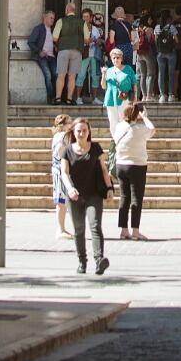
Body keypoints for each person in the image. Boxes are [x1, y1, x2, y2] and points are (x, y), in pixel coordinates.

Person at [59, 116, 114, 275]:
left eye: (84, 130)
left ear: (89, 132)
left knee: (95, 226)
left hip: (93, 194)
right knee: (79, 229)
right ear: (74, 132)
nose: (81, 133)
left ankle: (99, 260)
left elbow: (104, 169)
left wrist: (109, 187)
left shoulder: (95, 148)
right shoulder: (67, 150)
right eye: (78, 131)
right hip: (74, 195)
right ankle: (82, 261)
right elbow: (64, 173)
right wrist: (70, 188)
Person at [113, 101, 156, 239]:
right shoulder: (140, 129)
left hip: (121, 165)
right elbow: (152, 129)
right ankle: (135, 230)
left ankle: (123, 230)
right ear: (137, 114)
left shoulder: (119, 127)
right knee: (136, 198)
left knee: (124, 197)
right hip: (137, 165)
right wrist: (145, 117)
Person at [53, 3, 85, 106]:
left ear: (67, 10)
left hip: (63, 49)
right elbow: (87, 39)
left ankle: (58, 98)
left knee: (61, 75)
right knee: (72, 76)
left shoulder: (60, 21)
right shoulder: (82, 22)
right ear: (74, 10)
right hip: (77, 50)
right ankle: (69, 99)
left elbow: (54, 38)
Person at [102, 46, 138, 135]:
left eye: (117, 58)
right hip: (110, 99)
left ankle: (124, 140)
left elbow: (134, 84)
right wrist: (103, 74)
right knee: (113, 122)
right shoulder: (109, 70)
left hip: (125, 98)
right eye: (113, 58)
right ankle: (115, 142)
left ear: (121, 58)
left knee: (124, 121)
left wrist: (135, 98)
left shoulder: (128, 69)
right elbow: (103, 86)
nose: (115, 60)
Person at [75, 8, 104, 105]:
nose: (85, 18)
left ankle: (94, 98)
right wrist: (89, 41)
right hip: (84, 55)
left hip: (94, 55)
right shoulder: (78, 29)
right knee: (81, 75)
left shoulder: (95, 29)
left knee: (95, 76)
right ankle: (78, 98)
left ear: (91, 18)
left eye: (87, 17)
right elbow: (78, 42)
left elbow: (99, 40)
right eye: (83, 17)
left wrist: (98, 41)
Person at [28, 10, 58, 103]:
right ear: (45, 18)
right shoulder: (38, 29)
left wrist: (56, 47)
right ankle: (50, 97)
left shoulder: (53, 30)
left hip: (52, 57)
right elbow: (30, 42)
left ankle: (57, 97)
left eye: (53, 18)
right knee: (48, 75)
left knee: (56, 74)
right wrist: (39, 51)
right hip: (42, 56)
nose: (52, 20)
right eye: (51, 18)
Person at [51, 112, 73, 238]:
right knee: (61, 200)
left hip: (57, 168)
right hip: (60, 169)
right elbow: (60, 149)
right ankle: (60, 229)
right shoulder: (62, 136)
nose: (71, 125)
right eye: (69, 123)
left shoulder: (57, 135)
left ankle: (62, 228)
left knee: (62, 201)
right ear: (63, 125)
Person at [155, 9, 178, 103]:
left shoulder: (157, 27)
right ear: (169, 17)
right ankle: (170, 95)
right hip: (170, 52)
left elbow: (155, 40)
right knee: (171, 73)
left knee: (161, 73)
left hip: (160, 53)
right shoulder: (172, 27)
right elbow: (177, 40)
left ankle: (162, 95)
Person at [134, 13, 157, 103]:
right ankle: (149, 95)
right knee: (151, 74)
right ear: (146, 20)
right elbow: (152, 41)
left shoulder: (137, 29)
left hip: (139, 53)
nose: (151, 21)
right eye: (149, 19)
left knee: (142, 75)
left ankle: (143, 96)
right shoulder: (150, 29)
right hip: (148, 52)